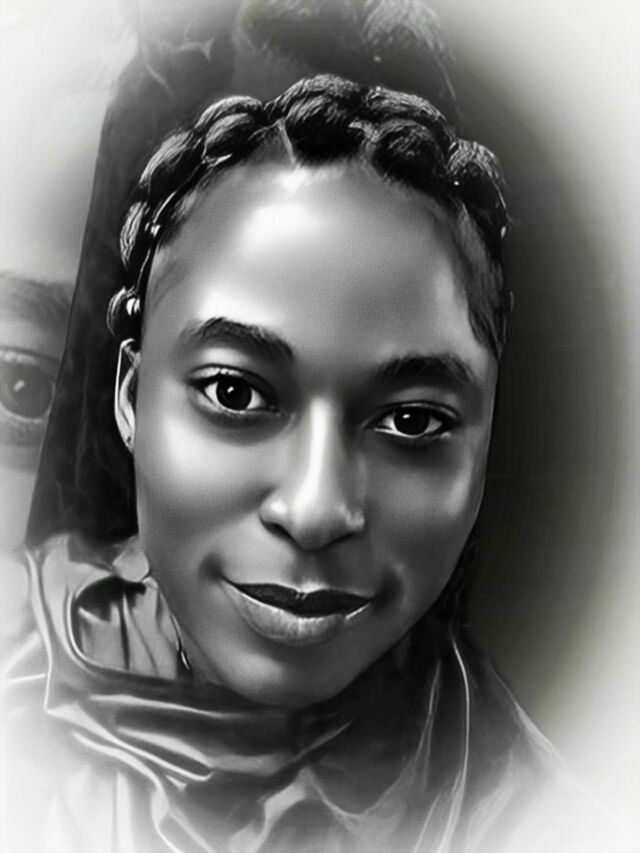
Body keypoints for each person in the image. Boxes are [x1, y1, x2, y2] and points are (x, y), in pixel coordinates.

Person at [2, 76, 627, 853]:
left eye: (411, 421)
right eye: (234, 393)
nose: (314, 509)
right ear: (131, 396)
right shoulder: (23, 649)